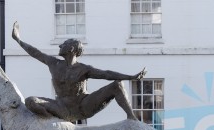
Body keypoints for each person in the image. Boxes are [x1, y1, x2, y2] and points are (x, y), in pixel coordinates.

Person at [12, 21, 146, 122]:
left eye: (63, 44)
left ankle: (131, 117)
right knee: (30, 101)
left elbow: (106, 74)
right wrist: (18, 40)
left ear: (71, 49)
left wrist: (131, 77)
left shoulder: (83, 69)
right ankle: (51, 123)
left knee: (117, 85)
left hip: (83, 106)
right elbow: (35, 53)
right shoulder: (54, 63)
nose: (60, 46)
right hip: (61, 107)